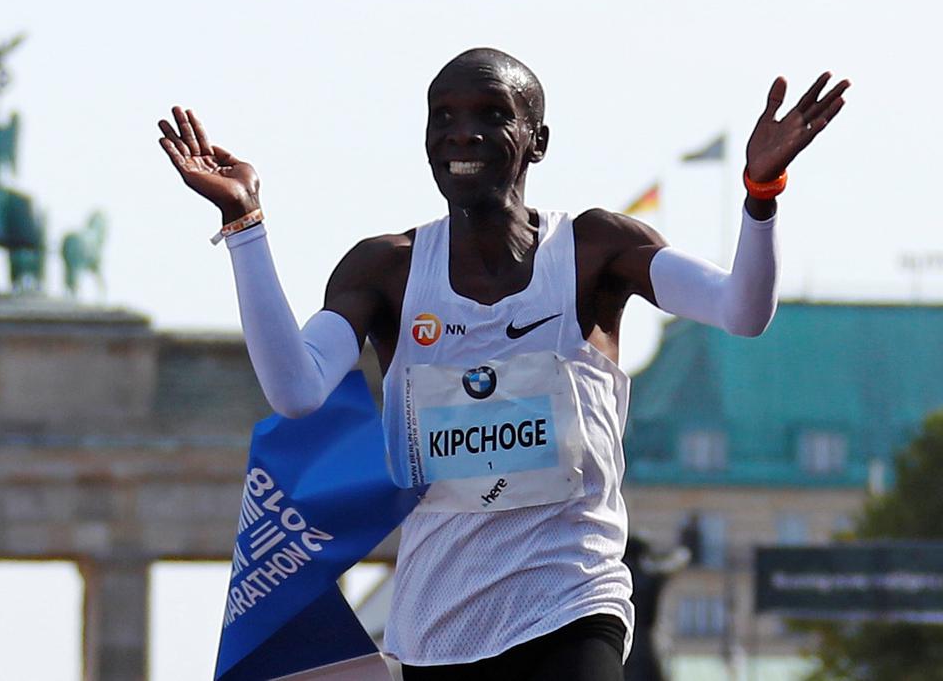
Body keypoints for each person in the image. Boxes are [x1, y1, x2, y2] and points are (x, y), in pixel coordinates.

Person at [157, 48, 847, 680]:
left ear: (537, 141)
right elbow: (296, 390)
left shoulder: (595, 247)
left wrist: (762, 194)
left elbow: (741, 312)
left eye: (492, 115)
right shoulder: (386, 269)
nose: (464, 133)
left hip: (573, 597)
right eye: (445, 118)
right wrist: (245, 226)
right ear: (426, 142)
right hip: (438, 622)